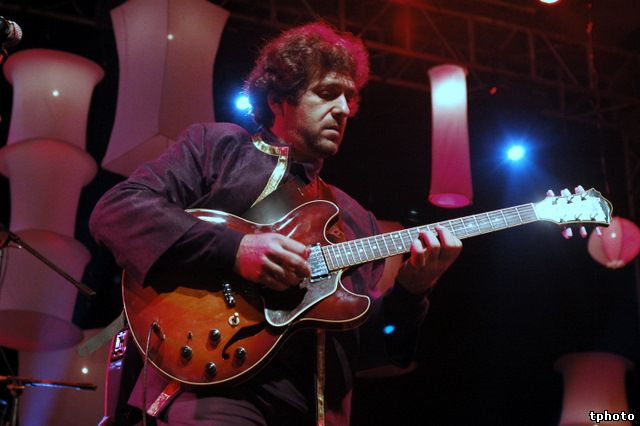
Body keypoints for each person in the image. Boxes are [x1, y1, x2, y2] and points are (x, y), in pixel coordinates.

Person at [90, 21, 462, 425]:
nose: (343, 109)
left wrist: (411, 292)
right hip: (212, 395)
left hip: (315, 410)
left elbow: (369, 352)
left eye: (349, 97)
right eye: (327, 93)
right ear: (279, 98)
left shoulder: (357, 219)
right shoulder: (218, 149)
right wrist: (236, 250)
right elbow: (117, 210)